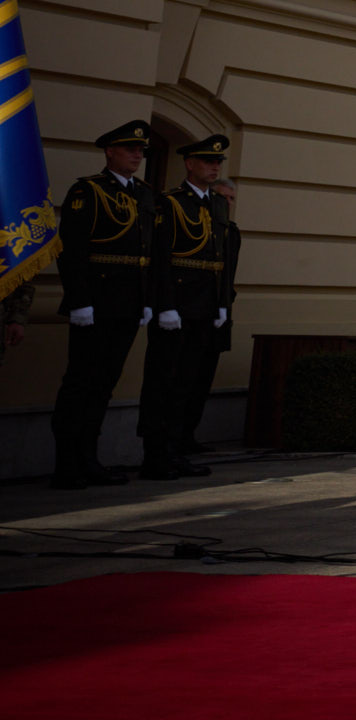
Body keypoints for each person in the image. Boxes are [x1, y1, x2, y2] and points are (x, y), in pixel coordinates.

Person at [49, 121, 163, 491]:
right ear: (110, 151)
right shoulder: (88, 191)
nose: (137, 155)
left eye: (141, 151)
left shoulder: (145, 194)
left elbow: (148, 252)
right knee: (80, 383)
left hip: (128, 305)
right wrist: (79, 301)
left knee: (104, 384)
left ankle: (89, 458)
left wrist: (147, 301)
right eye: (130, 149)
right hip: (95, 304)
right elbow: (73, 251)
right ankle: (67, 464)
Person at [140, 135, 239, 478]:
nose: (214, 168)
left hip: (205, 307)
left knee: (187, 383)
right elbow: (160, 259)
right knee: (162, 381)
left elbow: (223, 260)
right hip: (177, 306)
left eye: (218, 163)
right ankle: (155, 455)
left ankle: (175, 449)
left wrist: (222, 305)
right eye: (208, 162)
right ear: (190, 164)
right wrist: (164, 305)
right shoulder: (169, 203)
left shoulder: (217, 205)